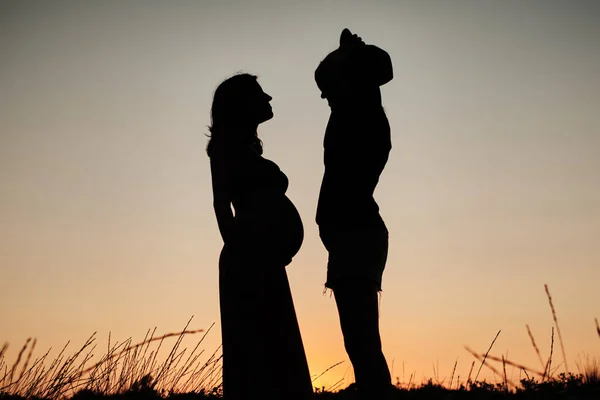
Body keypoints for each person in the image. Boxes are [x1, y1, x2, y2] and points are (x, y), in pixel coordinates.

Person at [207, 73, 313, 400]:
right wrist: (242, 250)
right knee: (257, 350)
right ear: (241, 105)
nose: (268, 99)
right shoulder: (225, 148)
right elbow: (221, 206)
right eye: (260, 95)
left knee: (278, 345)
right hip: (249, 261)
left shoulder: (247, 148)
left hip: (263, 258)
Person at [315, 29, 394, 399]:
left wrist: (349, 51)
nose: (324, 95)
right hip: (353, 234)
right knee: (359, 342)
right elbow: (330, 75)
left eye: (329, 89)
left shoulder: (360, 116)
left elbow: (330, 74)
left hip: (356, 234)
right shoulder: (361, 115)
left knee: (362, 342)